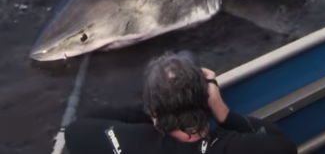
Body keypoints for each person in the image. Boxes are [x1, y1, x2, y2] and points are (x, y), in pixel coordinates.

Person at [65, 51, 297, 154]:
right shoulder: (229, 146)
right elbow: (284, 146)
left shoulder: (132, 141)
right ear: (206, 98)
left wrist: (158, 106)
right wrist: (224, 114)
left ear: (152, 108)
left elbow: (77, 128)